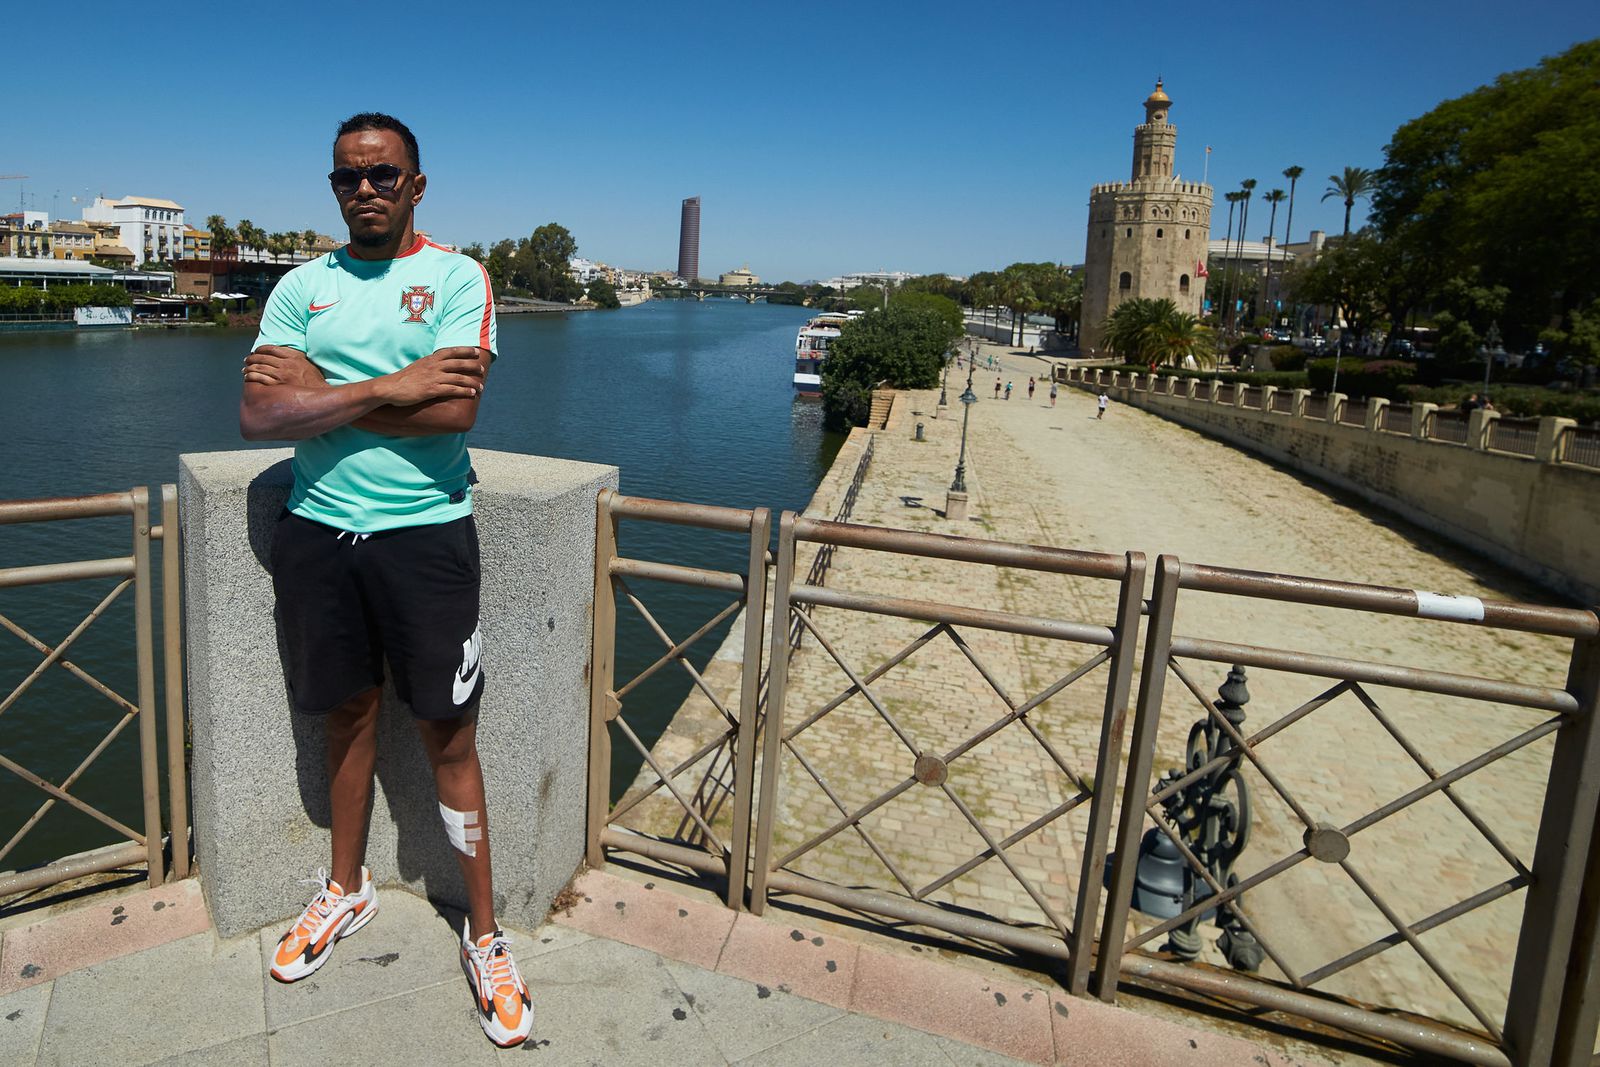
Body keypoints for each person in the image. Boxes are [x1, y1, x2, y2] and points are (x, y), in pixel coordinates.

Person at [239, 112, 533, 1049]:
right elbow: (258, 414)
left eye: (383, 174)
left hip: (426, 539)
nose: (365, 189)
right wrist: (386, 386)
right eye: (348, 177)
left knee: (449, 734)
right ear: (334, 186)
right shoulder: (302, 285)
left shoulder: (457, 277)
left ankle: (484, 935)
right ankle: (346, 887)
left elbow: (455, 410)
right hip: (319, 536)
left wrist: (319, 389)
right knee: (346, 715)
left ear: (416, 184)